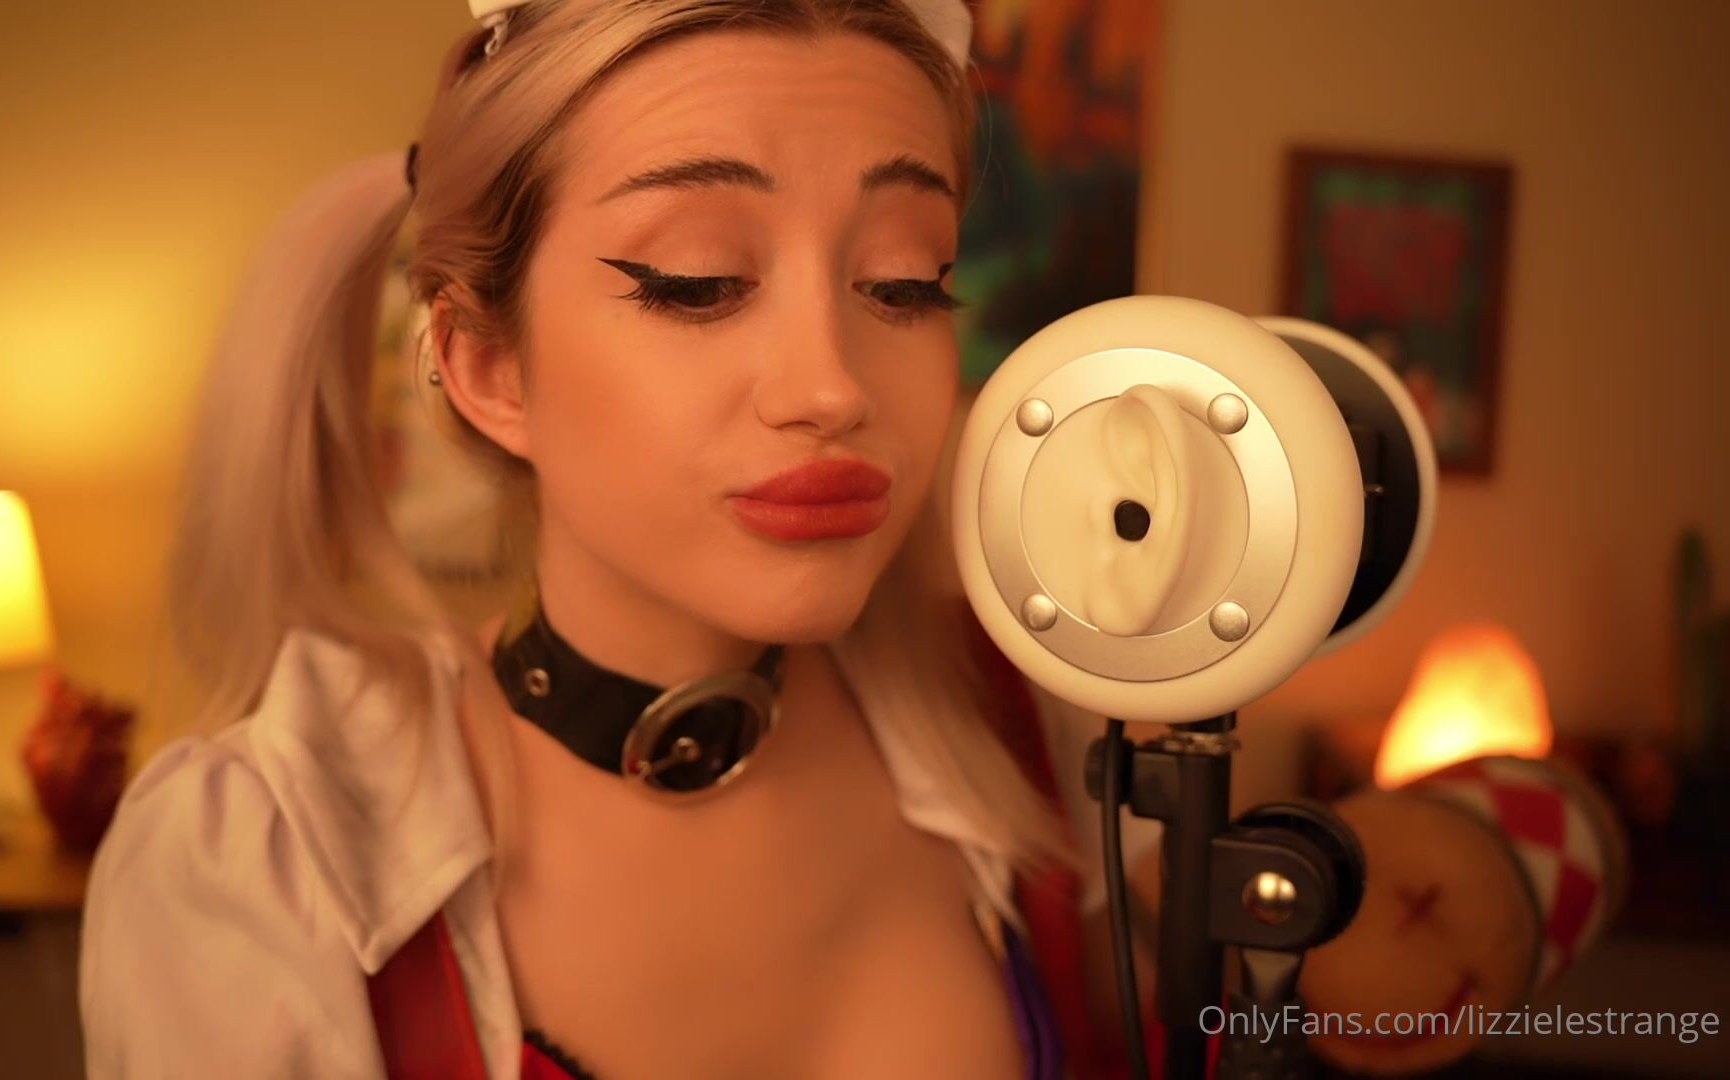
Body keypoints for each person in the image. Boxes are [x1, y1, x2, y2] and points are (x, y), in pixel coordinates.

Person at [79, 1, 1152, 1077]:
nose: (832, 387)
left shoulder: (1028, 722)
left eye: (904, 282)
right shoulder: (270, 865)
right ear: (487, 367)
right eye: (698, 283)